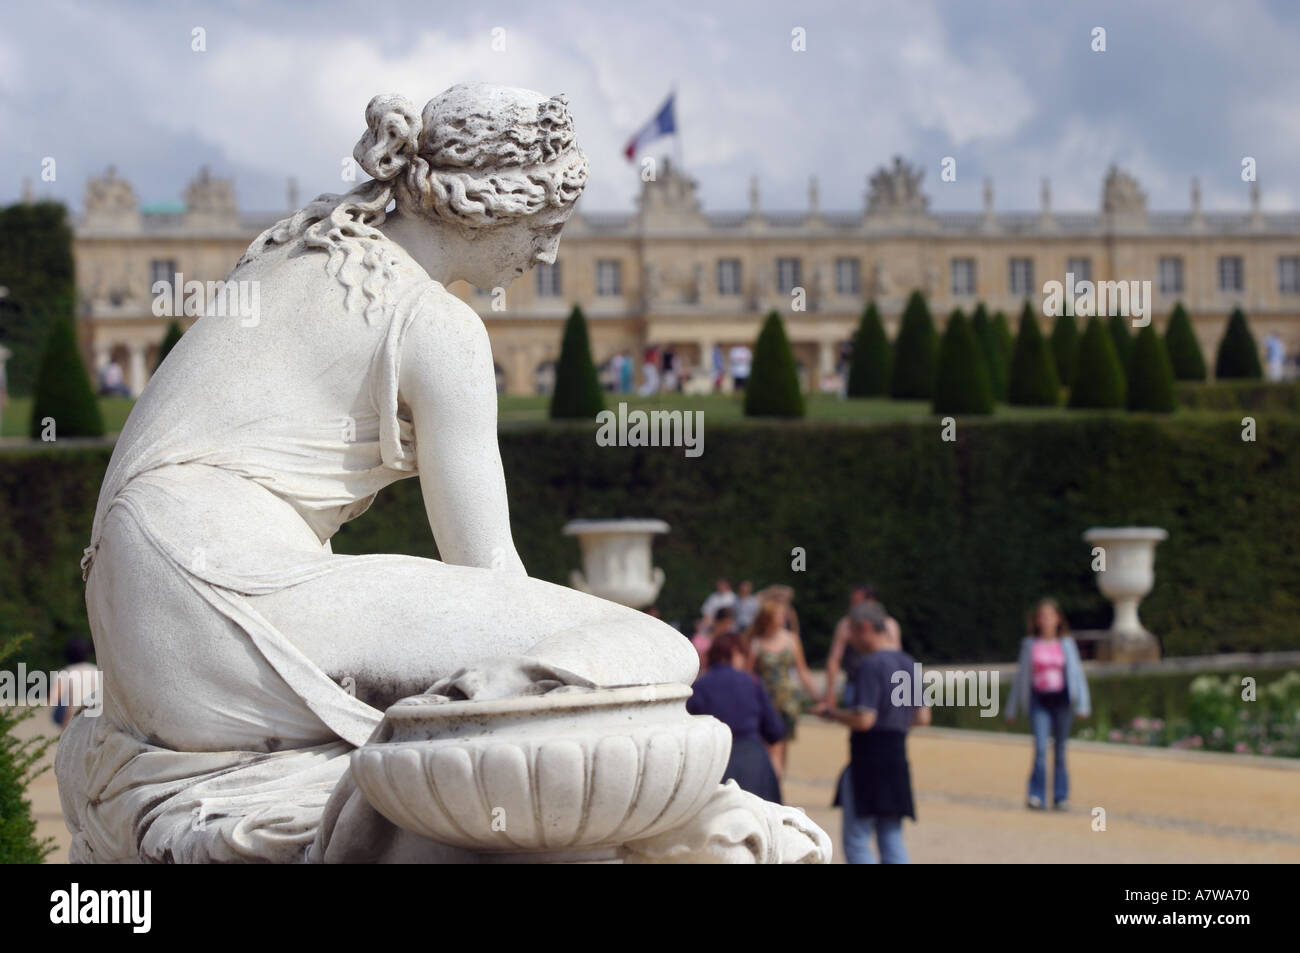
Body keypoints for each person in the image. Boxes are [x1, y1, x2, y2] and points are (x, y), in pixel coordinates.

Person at [61, 85, 700, 862]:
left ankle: (452, 747)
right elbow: (492, 573)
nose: (550, 254)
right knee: (647, 649)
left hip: (135, 619)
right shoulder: (440, 326)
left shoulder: (293, 246)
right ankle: (468, 751)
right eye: (549, 226)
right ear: (496, 206)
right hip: (223, 591)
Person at [822, 602, 930, 864]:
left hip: (869, 758)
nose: (851, 641)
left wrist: (831, 713)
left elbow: (864, 720)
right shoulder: (909, 663)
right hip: (897, 754)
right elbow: (923, 717)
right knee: (891, 838)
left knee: (857, 840)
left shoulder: (870, 666)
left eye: (853, 634)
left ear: (866, 628)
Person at [1005, 598, 1091, 811]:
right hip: (1039, 701)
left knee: (1060, 750)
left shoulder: (1067, 644)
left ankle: (1061, 796)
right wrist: (1012, 707)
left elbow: (1077, 674)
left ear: (1057, 619)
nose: (1046, 620)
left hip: (1062, 701)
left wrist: (1083, 703)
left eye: (1050, 615)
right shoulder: (1029, 645)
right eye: (1042, 616)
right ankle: (1036, 795)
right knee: (1041, 749)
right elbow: (1021, 678)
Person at [686, 633, 785, 803]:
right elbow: (774, 731)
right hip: (753, 763)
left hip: (715, 763)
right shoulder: (751, 682)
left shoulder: (699, 686)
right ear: (734, 652)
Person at [746, 599, 818, 779]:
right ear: (768, 618)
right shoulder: (756, 642)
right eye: (779, 615)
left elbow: (803, 671)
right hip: (765, 700)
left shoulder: (791, 640)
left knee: (781, 746)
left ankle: (774, 784)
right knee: (771, 746)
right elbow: (747, 675)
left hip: (787, 701)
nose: (783, 618)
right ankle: (772, 784)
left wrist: (818, 697)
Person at [822, 584, 901, 710]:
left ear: (871, 601)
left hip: (883, 685)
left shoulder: (890, 625)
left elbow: (896, 659)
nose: (852, 605)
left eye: (857, 601)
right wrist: (830, 692)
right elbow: (834, 659)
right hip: (855, 683)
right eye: (852, 601)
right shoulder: (845, 625)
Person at [51, 637, 98, 729]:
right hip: (96, 714)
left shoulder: (65, 673)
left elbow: (54, 696)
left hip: (72, 715)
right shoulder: (96, 670)